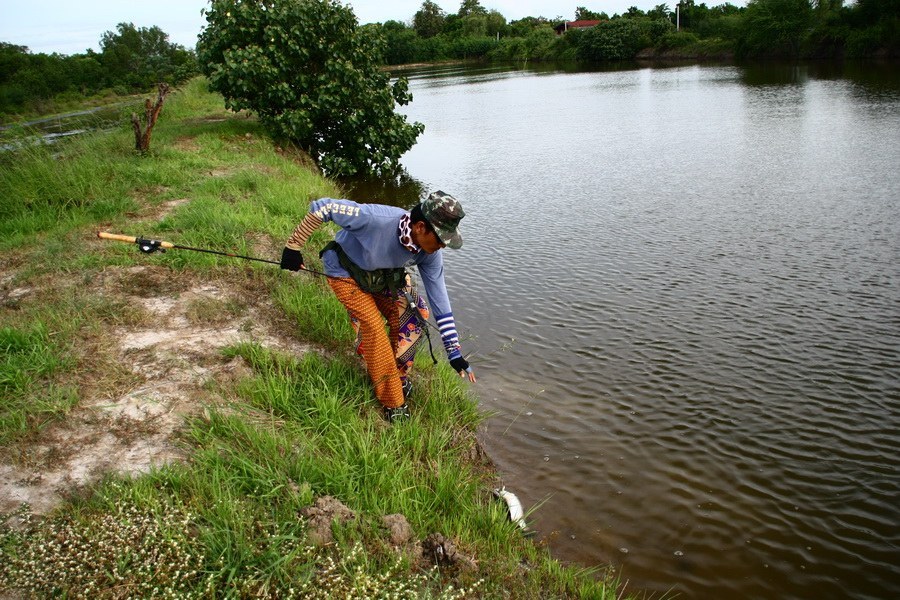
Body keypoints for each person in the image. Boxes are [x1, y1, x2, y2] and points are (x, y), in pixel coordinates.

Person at [280, 191, 476, 422]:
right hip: (344, 271)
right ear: (421, 227)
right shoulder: (375, 218)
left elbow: (439, 297)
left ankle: (395, 374)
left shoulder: (429, 253)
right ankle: (393, 401)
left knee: (416, 313)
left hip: (382, 277)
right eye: (441, 239)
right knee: (373, 328)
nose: (443, 246)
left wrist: (454, 352)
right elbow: (323, 207)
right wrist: (292, 247)